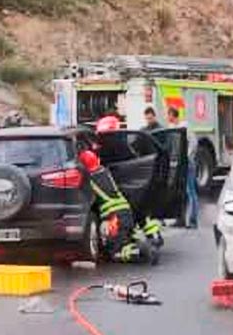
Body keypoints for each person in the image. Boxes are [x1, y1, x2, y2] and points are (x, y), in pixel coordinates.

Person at [79, 125, 155, 264]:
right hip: (126, 211)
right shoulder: (104, 171)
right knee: (124, 236)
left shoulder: (89, 179)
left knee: (117, 253)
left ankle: (139, 251)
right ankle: (140, 242)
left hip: (114, 217)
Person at [168, 107, 199, 228]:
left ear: (173, 115)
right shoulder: (172, 128)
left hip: (187, 163)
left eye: (168, 115)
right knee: (180, 192)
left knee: (190, 191)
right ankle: (180, 219)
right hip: (178, 164)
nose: (167, 117)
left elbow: (193, 142)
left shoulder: (185, 126)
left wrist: (187, 157)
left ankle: (193, 221)